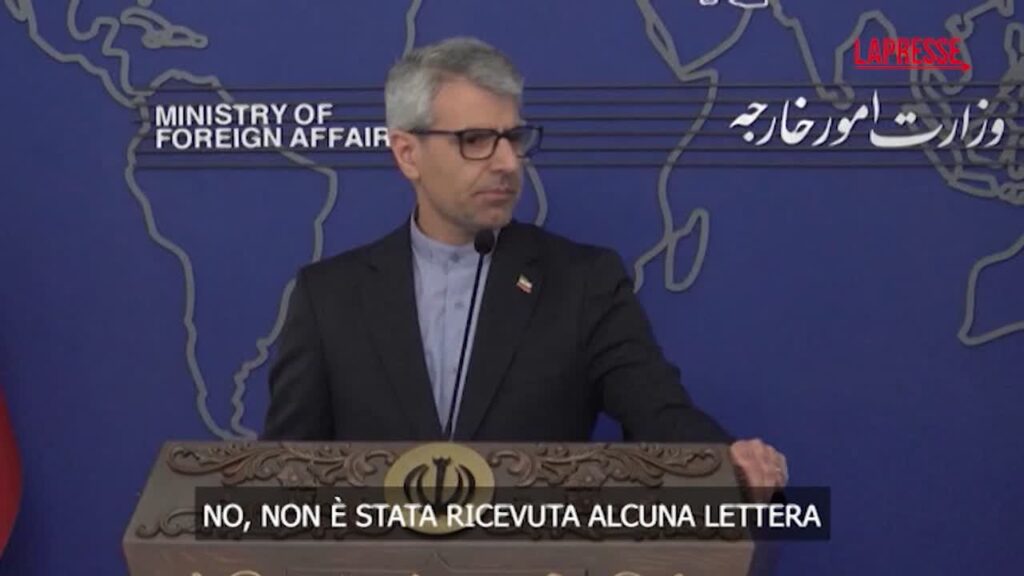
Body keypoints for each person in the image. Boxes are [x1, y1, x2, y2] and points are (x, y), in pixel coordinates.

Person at [262, 37, 788, 498]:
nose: (507, 163)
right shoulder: (328, 299)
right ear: (407, 154)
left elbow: (659, 416)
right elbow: (282, 480)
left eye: (513, 138)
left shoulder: (584, 284)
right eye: (475, 140)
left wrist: (726, 464)